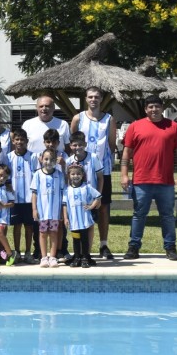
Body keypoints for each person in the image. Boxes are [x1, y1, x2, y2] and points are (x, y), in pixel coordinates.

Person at [120, 95, 177, 261]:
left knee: (167, 216)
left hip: (165, 182)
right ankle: (133, 247)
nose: (154, 110)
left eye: (157, 106)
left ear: (162, 107)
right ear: (145, 109)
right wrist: (124, 174)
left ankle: (170, 247)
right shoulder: (135, 126)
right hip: (141, 181)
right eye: (150, 107)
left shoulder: (174, 127)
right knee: (138, 215)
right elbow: (126, 153)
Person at [70, 86, 117, 260]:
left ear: (101, 98)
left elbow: (111, 145)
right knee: (81, 207)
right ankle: (81, 249)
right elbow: (73, 142)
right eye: (90, 96)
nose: (93, 99)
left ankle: (103, 245)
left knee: (103, 207)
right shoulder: (78, 118)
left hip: (102, 171)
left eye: (97, 97)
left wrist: (101, 161)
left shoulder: (109, 119)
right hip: (81, 172)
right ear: (86, 98)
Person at [8, 128, 37, 263]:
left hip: (29, 199)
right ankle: (17, 251)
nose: (19, 142)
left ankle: (28, 253)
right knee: (17, 226)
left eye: (22, 139)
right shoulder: (9, 157)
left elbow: (37, 177)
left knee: (29, 226)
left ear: (27, 141)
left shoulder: (33, 157)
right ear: (13, 141)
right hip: (14, 199)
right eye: (17, 139)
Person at [31, 149, 64, 268]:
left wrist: (61, 210)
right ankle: (44, 257)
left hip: (55, 211)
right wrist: (34, 209)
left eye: (51, 159)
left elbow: (62, 193)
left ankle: (53, 257)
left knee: (54, 233)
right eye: (46, 159)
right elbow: (34, 193)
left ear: (55, 161)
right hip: (42, 211)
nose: (48, 162)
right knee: (43, 233)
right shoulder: (38, 174)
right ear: (41, 159)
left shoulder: (59, 175)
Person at [64, 163, 101, 269]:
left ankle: (85, 257)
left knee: (84, 239)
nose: (75, 176)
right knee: (76, 239)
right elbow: (64, 205)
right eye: (73, 174)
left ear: (82, 175)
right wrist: (66, 218)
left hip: (84, 221)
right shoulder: (67, 190)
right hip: (74, 221)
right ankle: (77, 257)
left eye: (78, 174)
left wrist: (91, 206)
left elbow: (98, 196)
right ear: (69, 175)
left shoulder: (87, 187)